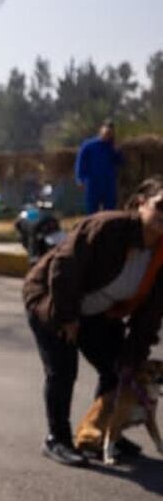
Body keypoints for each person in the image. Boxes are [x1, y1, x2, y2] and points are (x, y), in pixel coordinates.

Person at [24, 177, 163, 467]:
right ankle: (57, 439)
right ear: (141, 204)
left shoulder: (160, 255)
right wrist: (67, 317)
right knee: (62, 371)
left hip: (96, 313)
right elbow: (64, 266)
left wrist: (134, 355)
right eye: (161, 206)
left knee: (118, 368)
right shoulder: (108, 227)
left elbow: (149, 314)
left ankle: (104, 432)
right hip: (54, 300)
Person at [75, 120, 124, 214]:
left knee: (110, 210)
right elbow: (80, 162)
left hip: (108, 182)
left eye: (110, 133)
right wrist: (79, 179)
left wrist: (117, 150)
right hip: (92, 182)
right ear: (101, 131)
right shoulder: (88, 145)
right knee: (92, 210)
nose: (108, 135)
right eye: (106, 133)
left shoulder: (111, 147)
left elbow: (121, 162)